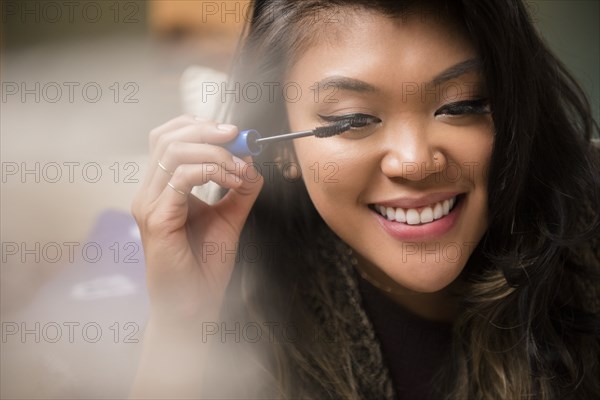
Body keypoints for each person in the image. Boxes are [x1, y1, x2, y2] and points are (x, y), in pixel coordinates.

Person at [130, 0, 600, 398]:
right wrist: (182, 323)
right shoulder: (253, 329)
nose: (415, 163)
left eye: (462, 105)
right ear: (284, 149)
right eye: (352, 119)